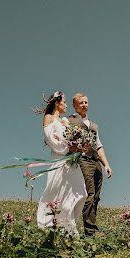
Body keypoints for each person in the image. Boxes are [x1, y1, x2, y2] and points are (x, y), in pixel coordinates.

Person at [35, 91, 87, 236]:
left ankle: (68, 226)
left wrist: (79, 146)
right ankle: (53, 226)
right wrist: (67, 148)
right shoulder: (49, 118)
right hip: (60, 160)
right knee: (58, 193)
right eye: (63, 101)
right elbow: (51, 139)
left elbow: (70, 138)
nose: (66, 105)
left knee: (81, 192)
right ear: (57, 103)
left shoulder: (64, 121)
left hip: (72, 162)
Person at [66, 93, 112, 236]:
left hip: (95, 161)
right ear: (74, 105)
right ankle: (90, 231)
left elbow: (99, 146)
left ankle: (91, 226)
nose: (85, 105)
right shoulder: (67, 120)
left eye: (86, 102)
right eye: (81, 103)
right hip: (82, 161)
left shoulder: (93, 125)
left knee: (96, 196)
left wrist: (106, 164)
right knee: (89, 194)